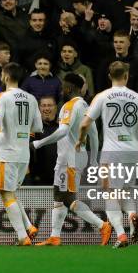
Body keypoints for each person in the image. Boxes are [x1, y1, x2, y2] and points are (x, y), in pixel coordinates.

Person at [78, 61, 138, 247]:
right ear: (126, 76)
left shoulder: (102, 96)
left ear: (109, 76)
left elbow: (85, 124)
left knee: (110, 193)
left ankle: (121, 235)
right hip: (132, 152)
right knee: (126, 190)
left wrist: (80, 140)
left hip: (111, 153)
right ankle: (132, 216)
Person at [32, 73, 112, 246]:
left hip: (68, 159)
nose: (61, 89)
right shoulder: (85, 106)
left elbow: (62, 132)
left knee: (67, 198)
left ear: (68, 88)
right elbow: (94, 134)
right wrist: (93, 159)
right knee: (58, 197)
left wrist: (39, 143)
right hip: (78, 156)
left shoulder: (69, 105)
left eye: (63, 86)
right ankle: (55, 236)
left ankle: (102, 225)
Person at [0, 62, 43, 245]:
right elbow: (38, 127)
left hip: (7, 153)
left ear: (5, 76)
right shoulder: (31, 98)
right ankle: (29, 227)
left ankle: (22, 237)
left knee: (5, 193)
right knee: (11, 192)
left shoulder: (2, 96)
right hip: (23, 154)